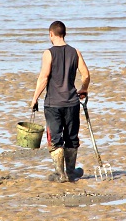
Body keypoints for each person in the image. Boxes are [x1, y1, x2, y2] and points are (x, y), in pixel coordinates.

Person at [31, 21, 90, 182]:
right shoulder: (75, 52)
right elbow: (85, 75)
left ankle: (60, 173)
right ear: (64, 33)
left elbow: (43, 78)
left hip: (53, 104)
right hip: (72, 102)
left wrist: (34, 99)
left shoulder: (48, 53)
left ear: (51, 34)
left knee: (56, 139)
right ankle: (71, 172)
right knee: (71, 138)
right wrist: (83, 89)